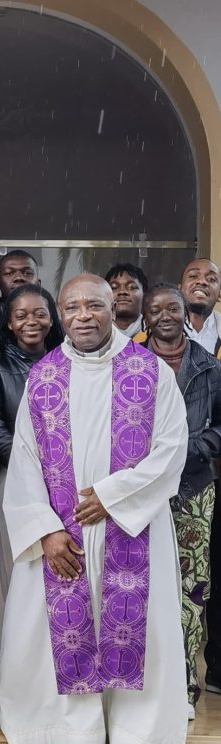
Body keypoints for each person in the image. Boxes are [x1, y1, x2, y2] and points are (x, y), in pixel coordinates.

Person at [0, 274, 188, 744]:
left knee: (138, 635)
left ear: (115, 310)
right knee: (72, 634)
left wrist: (113, 496)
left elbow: (173, 447)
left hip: (136, 527)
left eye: (94, 305)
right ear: (62, 313)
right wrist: (45, 532)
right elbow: (24, 463)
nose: (84, 315)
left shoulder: (150, 371)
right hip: (67, 537)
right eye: (73, 306)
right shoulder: (44, 378)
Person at [139, 284, 221, 719]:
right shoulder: (128, 364)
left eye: (173, 307)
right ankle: (143, 686)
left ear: (185, 313)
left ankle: (185, 684)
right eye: (156, 309)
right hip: (139, 490)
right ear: (144, 317)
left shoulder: (209, 366)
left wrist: (187, 447)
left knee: (191, 588)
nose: (166, 315)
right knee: (141, 584)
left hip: (192, 487)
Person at [0, 284, 63, 689]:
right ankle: (7, 657)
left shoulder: (69, 362)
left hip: (67, 484)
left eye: (39, 313)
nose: (31, 321)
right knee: (11, 570)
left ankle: (55, 658)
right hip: (12, 479)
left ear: (51, 317)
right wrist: (32, 467)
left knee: (61, 570)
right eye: (21, 315)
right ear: (9, 323)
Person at [177, 259, 221, 696]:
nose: (202, 284)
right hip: (186, 482)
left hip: (206, 470)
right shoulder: (144, 347)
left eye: (211, 278)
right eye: (194, 277)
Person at [178, 258, 221, 356]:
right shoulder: (150, 335)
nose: (202, 282)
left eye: (211, 279)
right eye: (193, 276)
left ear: (219, 294)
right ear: (179, 289)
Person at [105, 263, 148, 338]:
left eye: (132, 287)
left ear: (144, 294)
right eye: (114, 287)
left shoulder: (154, 333)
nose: (122, 291)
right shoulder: (98, 334)